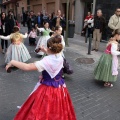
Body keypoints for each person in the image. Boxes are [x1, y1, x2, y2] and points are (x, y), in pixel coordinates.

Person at [6, 36, 77, 120]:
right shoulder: (60, 57)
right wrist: (45, 50)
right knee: (57, 108)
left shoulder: (46, 61)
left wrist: (12, 62)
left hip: (47, 89)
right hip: (59, 87)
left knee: (42, 108)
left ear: (49, 48)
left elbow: (27, 67)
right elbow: (53, 55)